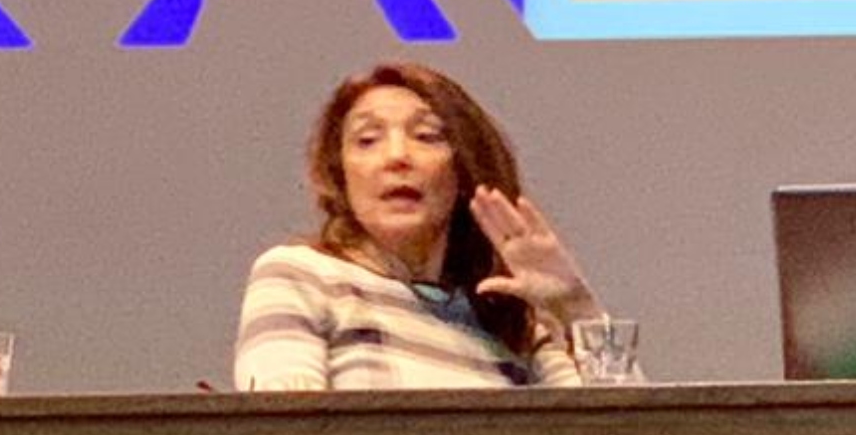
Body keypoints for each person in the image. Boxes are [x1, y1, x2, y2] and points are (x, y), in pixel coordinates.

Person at [233, 62, 614, 390]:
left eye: (427, 137)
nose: (397, 156)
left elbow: (624, 423)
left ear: (462, 170)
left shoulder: (512, 322)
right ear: (340, 175)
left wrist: (577, 307)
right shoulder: (300, 274)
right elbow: (281, 415)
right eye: (368, 140)